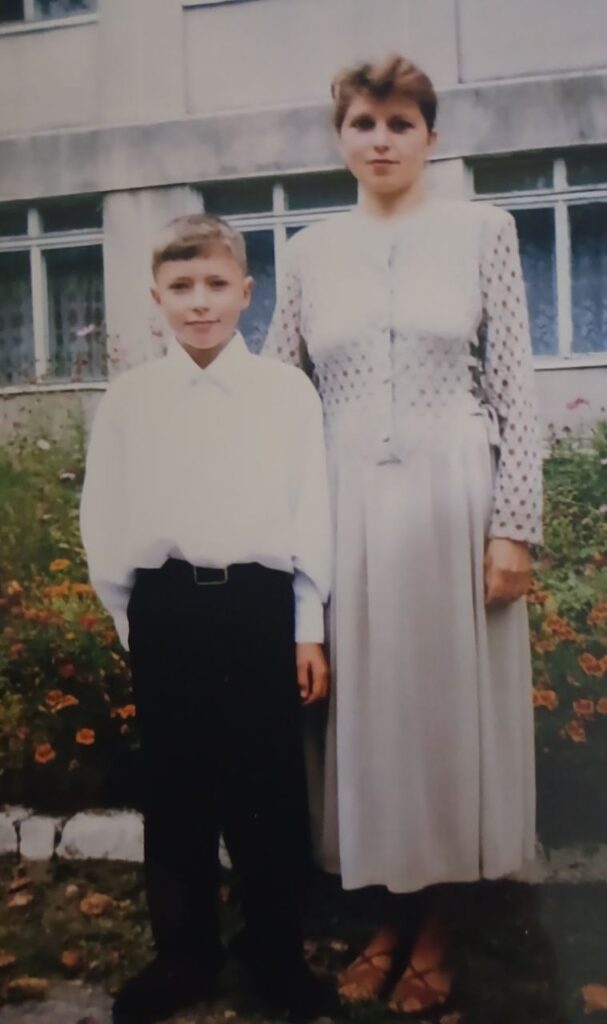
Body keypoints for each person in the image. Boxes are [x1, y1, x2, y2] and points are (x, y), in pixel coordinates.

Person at [262, 56, 543, 1015]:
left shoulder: (483, 232)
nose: (380, 141)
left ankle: (439, 931)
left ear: (431, 136)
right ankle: (387, 917)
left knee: (446, 715)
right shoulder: (308, 252)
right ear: (340, 135)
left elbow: (516, 384)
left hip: (455, 496)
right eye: (363, 123)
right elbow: (279, 391)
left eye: (400, 124)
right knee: (371, 718)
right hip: (346, 504)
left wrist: (514, 527)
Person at [80, 213, 335, 1024]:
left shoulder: (284, 395)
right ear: (154, 296)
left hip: (258, 606)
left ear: (247, 293)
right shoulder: (131, 401)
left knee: (269, 787)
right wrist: (133, 620)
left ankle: (274, 949)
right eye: (181, 287)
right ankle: (184, 953)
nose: (200, 303)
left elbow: (310, 509)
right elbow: (104, 515)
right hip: (168, 608)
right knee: (176, 787)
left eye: (217, 285)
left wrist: (307, 624)